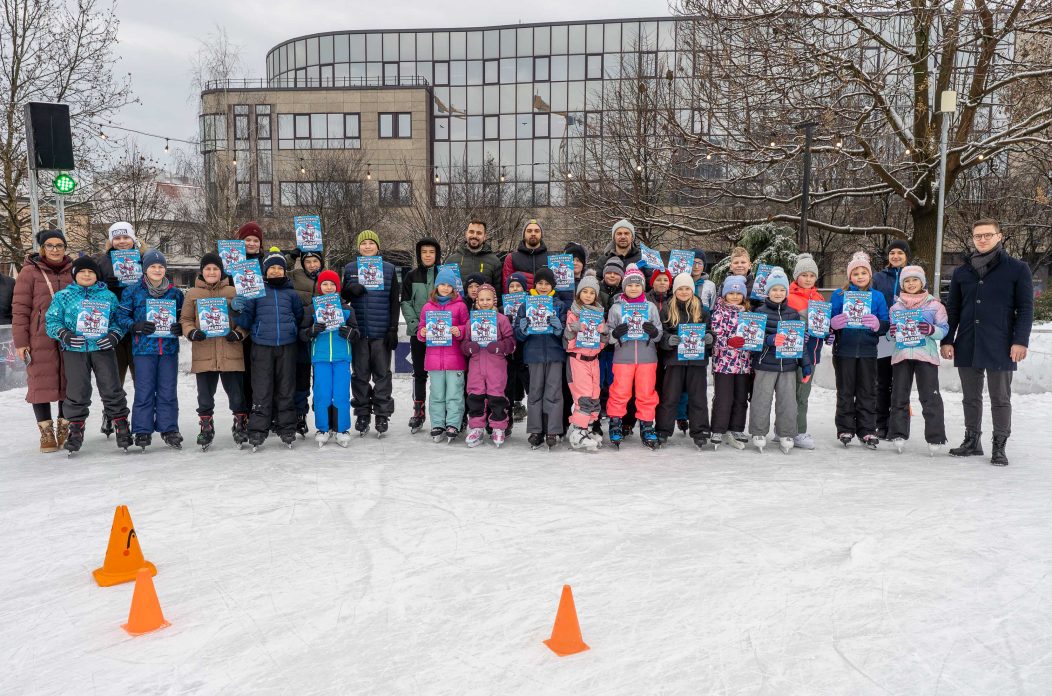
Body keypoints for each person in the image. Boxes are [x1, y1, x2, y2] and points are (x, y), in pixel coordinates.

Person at [941, 218, 1033, 465]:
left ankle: (999, 445)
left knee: (1000, 397)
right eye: (978, 235)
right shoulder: (962, 271)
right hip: (968, 341)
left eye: (987, 235)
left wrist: (1020, 341)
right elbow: (953, 308)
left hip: (1001, 343)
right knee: (970, 396)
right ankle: (972, 440)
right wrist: (948, 340)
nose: (982, 239)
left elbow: (1025, 308)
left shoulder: (1017, 268)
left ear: (999, 236)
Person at [44, 255, 131, 453]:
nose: (86, 274)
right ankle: (75, 429)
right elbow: (52, 321)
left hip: (102, 349)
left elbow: (118, 321)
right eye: (82, 271)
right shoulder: (63, 296)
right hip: (75, 350)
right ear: (75, 275)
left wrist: (114, 336)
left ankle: (121, 424)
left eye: (90, 272)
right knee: (77, 390)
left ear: (97, 275)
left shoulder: (108, 296)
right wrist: (63, 334)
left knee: (111, 387)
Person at [117, 249, 185, 451]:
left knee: (167, 390)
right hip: (144, 349)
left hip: (169, 349)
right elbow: (120, 318)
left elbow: (184, 318)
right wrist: (135, 326)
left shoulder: (175, 293)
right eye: (153, 266)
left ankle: (169, 428)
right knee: (145, 390)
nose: (157, 269)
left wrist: (180, 328)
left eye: (161, 266)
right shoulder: (133, 291)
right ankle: (142, 429)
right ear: (145, 269)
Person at [236, 248, 304, 449]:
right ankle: (257, 429)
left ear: (285, 270)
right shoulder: (256, 293)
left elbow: (298, 317)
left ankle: (287, 427)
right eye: (271, 268)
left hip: (287, 347)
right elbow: (246, 320)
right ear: (264, 271)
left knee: (286, 389)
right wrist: (237, 309)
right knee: (262, 390)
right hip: (262, 347)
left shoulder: (291, 294)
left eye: (279, 268)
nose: (275, 271)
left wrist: (292, 330)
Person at [179, 252, 248, 450]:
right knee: (205, 395)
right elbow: (185, 319)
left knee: (236, 394)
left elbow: (246, 319)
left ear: (221, 271)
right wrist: (191, 332)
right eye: (207, 268)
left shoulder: (233, 291)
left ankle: (240, 422)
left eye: (215, 269)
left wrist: (239, 333)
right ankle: (206, 426)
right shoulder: (192, 293)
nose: (211, 272)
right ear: (202, 271)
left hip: (230, 351)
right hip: (204, 353)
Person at [13, 230, 73, 452]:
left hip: (69, 334)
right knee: (40, 381)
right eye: (50, 245)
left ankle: (64, 426)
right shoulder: (29, 272)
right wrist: (20, 341)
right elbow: (20, 309)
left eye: (59, 245)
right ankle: (46, 431)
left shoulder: (73, 271)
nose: (55, 249)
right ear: (42, 248)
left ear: (65, 248)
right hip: (40, 336)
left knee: (69, 380)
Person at [829, 251, 890, 449]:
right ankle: (845, 427)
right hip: (844, 350)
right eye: (856, 273)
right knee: (845, 391)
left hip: (868, 351)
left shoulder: (877, 296)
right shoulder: (839, 295)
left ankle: (867, 430)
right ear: (850, 276)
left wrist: (877, 324)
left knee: (867, 391)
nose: (860, 276)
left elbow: (886, 322)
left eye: (864, 272)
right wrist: (833, 324)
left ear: (870, 275)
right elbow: (828, 321)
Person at [341, 230, 399, 436]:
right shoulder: (349, 269)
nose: (367, 246)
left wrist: (393, 328)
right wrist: (348, 291)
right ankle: (363, 411)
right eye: (363, 243)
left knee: (382, 374)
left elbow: (394, 301)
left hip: (381, 332)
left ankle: (382, 414)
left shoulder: (389, 269)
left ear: (377, 247)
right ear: (358, 247)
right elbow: (340, 299)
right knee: (360, 375)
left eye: (371, 243)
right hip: (358, 332)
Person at [748, 268, 812, 453]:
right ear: (768, 291)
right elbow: (752, 340)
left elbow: (799, 342)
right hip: (765, 364)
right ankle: (759, 432)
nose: (778, 293)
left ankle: (786, 433)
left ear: (786, 292)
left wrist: (805, 365)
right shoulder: (759, 312)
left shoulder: (793, 314)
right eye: (774, 289)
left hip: (788, 366)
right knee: (761, 399)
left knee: (788, 402)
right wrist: (768, 340)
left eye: (782, 290)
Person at [887, 265, 948, 454]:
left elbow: (944, 329)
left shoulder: (934, 305)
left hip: (926, 356)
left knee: (930, 397)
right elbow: (891, 334)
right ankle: (898, 433)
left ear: (922, 282)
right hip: (902, 355)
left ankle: (935, 436)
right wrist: (892, 333)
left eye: (915, 280)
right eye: (907, 280)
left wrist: (931, 330)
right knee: (899, 395)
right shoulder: (896, 307)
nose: (911, 283)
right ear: (902, 284)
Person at [606, 264, 662, 449]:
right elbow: (608, 335)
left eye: (637, 285)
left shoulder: (651, 307)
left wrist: (654, 332)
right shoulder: (616, 308)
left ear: (643, 287)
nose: (633, 288)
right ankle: (615, 423)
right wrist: (615, 334)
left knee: (646, 393)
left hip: (647, 357)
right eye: (629, 285)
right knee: (619, 392)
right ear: (624, 287)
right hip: (623, 358)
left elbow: (660, 333)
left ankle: (647, 425)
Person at [302, 269, 359, 448]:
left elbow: (357, 332)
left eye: (332, 284)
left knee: (341, 394)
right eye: (325, 284)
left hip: (342, 358)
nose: (328, 287)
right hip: (321, 358)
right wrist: (311, 331)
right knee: (322, 394)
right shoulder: (312, 308)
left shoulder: (347, 309)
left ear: (338, 287)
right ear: (319, 286)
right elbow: (301, 333)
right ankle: (323, 428)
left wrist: (350, 333)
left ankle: (342, 429)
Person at [656, 273, 713, 449]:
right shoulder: (667, 308)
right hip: (674, 362)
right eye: (680, 288)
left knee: (698, 398)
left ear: (692, 290)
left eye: (687, 288)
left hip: (697, 362)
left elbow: (710, 330)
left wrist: (710, 338)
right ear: (675, 290)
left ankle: (700, 431)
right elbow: (662, 333)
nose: (684, 291)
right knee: (669, 397)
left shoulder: (701, 310)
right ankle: (663, 430)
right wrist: (668, 340)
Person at [514, 266, 566, 449]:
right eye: (540, 283)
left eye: (547, 283)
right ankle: (535, 430)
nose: (543, 286)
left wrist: (559, 328)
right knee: (535, 393)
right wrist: (523, 329)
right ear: (535, 284)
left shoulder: (559, 305)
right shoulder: (525, 304)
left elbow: (566, 333)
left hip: (554, 354)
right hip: (534, 355)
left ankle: (552, 430)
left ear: (552, 285)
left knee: (553, 393)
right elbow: (518, 336)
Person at [94, 222, 142, 415]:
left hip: (137, 323)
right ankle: (112, 413)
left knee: (141, 375)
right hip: (112, 326)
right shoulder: (102, 262)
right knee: (114, 375)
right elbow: (91, 290)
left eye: (126, 237)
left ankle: (143, 414)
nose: (122, 242)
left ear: (133, 238)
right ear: (111, 240)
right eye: (117, 238)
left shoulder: (144, 258)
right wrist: (105, 285)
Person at [417, 266, 469, 441]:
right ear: (436, 286)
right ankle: (437, 423)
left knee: (454, 394)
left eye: (449, 285)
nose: (445, 288)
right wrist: (422, 333)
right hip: (434, 360)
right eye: (442, 284)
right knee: (437, 394)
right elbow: (420, 330)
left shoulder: (461, 306)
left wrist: (459, 330)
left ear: (454, 288)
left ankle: (453, 423)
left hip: (455, 360)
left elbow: (468, 329)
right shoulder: (427, 307)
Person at [462, 283, 515, 448]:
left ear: (494, 300)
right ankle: (477, 428)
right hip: (477, 366)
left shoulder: (501, 320)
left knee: (497, 397)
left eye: (488, 299)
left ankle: (498, 427)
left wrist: (500, 347)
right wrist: (469, 347)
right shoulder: (471, 321)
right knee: (475, 396)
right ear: (476, 301)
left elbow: (511, 342)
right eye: (481, 299)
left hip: (496, 365)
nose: (485, 302)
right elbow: (464, 343)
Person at [563, 270, 608, 451]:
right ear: (579, 293)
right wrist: (572, 330)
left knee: (595, 396)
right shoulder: (573, 314)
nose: (588, 295)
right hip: (578, 360)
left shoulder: (598, 314)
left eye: (592, 292)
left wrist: (604, 333)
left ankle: (587, 428)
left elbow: (603, 344)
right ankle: (578, 432)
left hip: (594, 360)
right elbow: (567, 344)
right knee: (583, 397)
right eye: (585, 291)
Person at [400, 237, 441, 433]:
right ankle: (419, 409)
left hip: (442, 334)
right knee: (419, 372)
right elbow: (406, 302)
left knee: (442, 372)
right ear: (419, 254)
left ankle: (444, 410)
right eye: (424, 252)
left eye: (431, 252)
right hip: (420, 334)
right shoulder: (411, 276)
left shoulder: (444, 274)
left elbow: (452, 299)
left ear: (437, 254)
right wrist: (416, 326)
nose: (427, 255)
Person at [786, 252, 826, 450]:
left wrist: (828, 333)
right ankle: (788, 430)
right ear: (796, 276)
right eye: (804, 275)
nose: (808, 279)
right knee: (788, 393)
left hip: (811, 354)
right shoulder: (788, 297)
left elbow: (822, 326)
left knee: (802, 394)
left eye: (812, 275)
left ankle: (798, 430)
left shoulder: (819, 298)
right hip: (791, 354)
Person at [709, 275, 753, 449]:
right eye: (731, 293)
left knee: (741, 398)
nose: (735, 296)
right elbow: (714, 335)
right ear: (725, 294)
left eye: (738, 293)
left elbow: (754, 336)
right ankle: (718, 428)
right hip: (724, 363)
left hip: (743, 364)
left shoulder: (748, 314)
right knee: (723, 397)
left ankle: (736, 427)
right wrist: (727, 342)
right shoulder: (719, 313)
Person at [872, 239, 910, 438]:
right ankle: (881, 424)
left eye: (900, 253)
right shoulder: (879, 277)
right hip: (884, 336)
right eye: (892, 252)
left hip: (906, 337)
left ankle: (898, 425)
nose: (896, 256)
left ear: (906, 256)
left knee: (900, 383)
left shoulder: (913, 276)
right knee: (882, 381)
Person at [288, 249, 325, 437]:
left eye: (315, 261)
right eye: (308, 261)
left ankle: (322, 414)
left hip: (323, 336)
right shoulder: (294, 276)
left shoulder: (328, 277)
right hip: (302, 334)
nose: (312, 265)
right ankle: (300, 414)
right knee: (301, 377)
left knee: (321, 379)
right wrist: (291, 257)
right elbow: (273, 271)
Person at [236, 221, 265, 412]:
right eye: (247, 239)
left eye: (255, 240)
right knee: (243, 371)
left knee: (261, 371)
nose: (252, 243)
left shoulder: (266, 263)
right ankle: (244, 412)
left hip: (262, 323)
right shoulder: (230, 264)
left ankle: (263, 410)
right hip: (239, 324)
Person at [443, 219, 502, 294]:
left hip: (484, 305)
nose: (474, 236)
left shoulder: (494, 262)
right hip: (458, 305)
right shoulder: (451, 260)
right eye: (471, 232)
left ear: (485, 237)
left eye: (479, 233)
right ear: (466, 234)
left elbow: (498, 294)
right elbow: (444, 290)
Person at [503, 272, 530, 427]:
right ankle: (506, 421)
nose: (515, 289)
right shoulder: (502, 307)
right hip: (508, 354)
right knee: (508, 387)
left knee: (530, 386)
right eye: (511, 286)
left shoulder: (530, 306)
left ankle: (535, 422)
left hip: (525, 351)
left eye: (518, 286)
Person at [502, 219, 550, 292]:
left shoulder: (552, 258)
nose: (533, 233)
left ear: (541, 234)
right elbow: (506, 286)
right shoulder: (511, 257)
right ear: (524, 234)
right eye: (529, 231)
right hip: (521, 302)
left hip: (546, 302)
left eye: (537, 231)